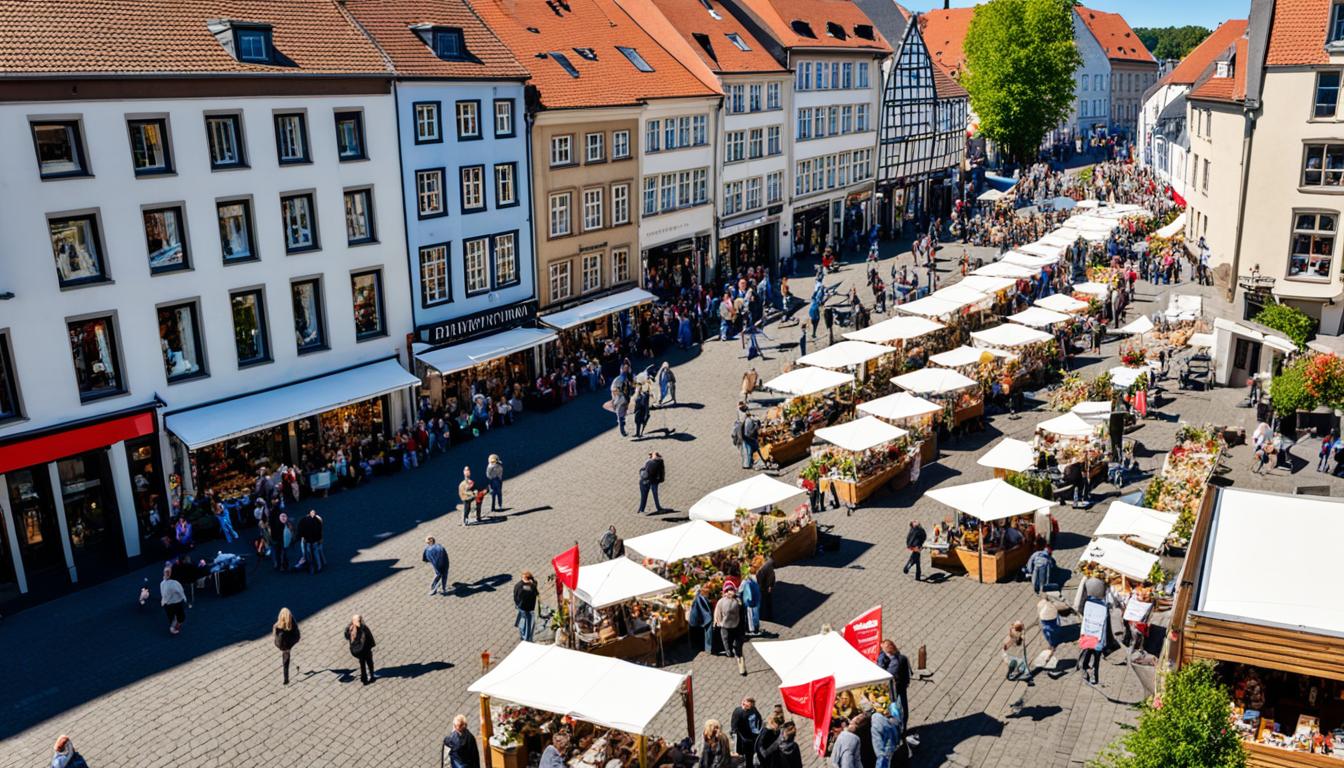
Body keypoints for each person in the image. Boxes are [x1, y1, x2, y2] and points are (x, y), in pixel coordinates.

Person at [714, 582, 747, 675]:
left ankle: (730, 653)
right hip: (737, 626)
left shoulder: (722, 602)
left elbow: (717, 615)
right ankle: (740, 666)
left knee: (727, 641)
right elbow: (743, 615)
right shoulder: (738, 601)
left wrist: (719, 623)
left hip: (728, 627)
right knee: (737, 648)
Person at [876, 640, 911, 726]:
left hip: (896, 689)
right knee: (902, 707)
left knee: (898, 708)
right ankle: (903, 725)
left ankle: (901, 727)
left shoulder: (895, 662)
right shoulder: (901, 657)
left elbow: (885, 674)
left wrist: (880, 659)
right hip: (902, 685)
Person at [731, 697, 763, 768]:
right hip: (747, 738)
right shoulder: (739, 711)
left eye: (747, 704)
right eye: (743, 703)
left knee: (749, 756)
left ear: (751, 705)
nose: (745, 705)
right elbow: (734, 727)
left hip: (751, 738)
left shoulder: (752, 710)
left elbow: (759, 718)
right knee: (748, 755)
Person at [345, 614, 377, 685]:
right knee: (369, 663)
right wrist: (371, 646)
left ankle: (364, 679)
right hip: (365, 650)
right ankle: (372, 676)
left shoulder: (350, 629)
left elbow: (347, 636)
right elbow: (369, 638)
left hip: (357, 651)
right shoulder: (364, 628)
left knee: (362, 663)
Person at [273, 607, 302, 685]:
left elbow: (277, 640)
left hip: (282, 645)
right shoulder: (291, 623)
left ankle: (286, 679)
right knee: (287, 655)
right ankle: (286, 678)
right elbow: (296, 633)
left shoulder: (277, 626)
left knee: (286, 659)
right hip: (288, 643)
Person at [160, 566, 187, 635]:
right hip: (175, 604)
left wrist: (163, 601)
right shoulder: (175, 583)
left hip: (167, 604)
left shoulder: (162, 583)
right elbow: (181, 592)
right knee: (180, 617)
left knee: (172, 617)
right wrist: (185, 599)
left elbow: (163, 594)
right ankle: (174, 627)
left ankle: (174, 626)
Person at [870, 702, 898, 768]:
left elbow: (877, 744)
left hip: (884, 755)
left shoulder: (874, 727)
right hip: (891, 749)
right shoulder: (889, 722)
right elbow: (895, 735)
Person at [513, 570, 539, 641]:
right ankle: (527, 638)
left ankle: (522, 634)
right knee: (529, 624)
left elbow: (515, 595)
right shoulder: (533, 586)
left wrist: (517, 604)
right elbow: (536, 593)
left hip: (521, 607)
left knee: (522, 619)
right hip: (529, 608)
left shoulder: (518, 585)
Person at [688, 584, 715, 653]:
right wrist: (709, 616)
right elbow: (704, 610)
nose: (709, 594)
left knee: (698, 633)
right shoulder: (700, 598)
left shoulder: (699, 597)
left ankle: (699, 646)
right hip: (700, 618)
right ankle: (707, 648)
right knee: (702, 633)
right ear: (704, 591)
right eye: (708, 592)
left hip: (698, 618)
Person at [297, 509, 324, 574]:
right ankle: (319, 566)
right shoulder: (317, 520)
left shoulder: (303, 520)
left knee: (309, 554)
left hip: (308, 540)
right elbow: (319, 530)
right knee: (316, 552)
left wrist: (302, 537)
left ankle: (311, 567)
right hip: (314, 540)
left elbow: (300, 530)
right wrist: (319, 539)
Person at [610, 371, 632, 436]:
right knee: (621, 417)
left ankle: (623, 430)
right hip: (620, 402)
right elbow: (615, 392)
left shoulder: (624, 382)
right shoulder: (618, 383)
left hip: (624, 400)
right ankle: (623, 432)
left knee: (622, 417)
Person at [756, 556, 776, 621]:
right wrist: (771, 585)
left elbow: (760, 581)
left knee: (763, 601)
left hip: (764, 587)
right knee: (768, 602)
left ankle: (765, 616)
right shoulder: (769, 565)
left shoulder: (761, 570)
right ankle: (770, 616)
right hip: (768, 586)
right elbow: (773, 576)